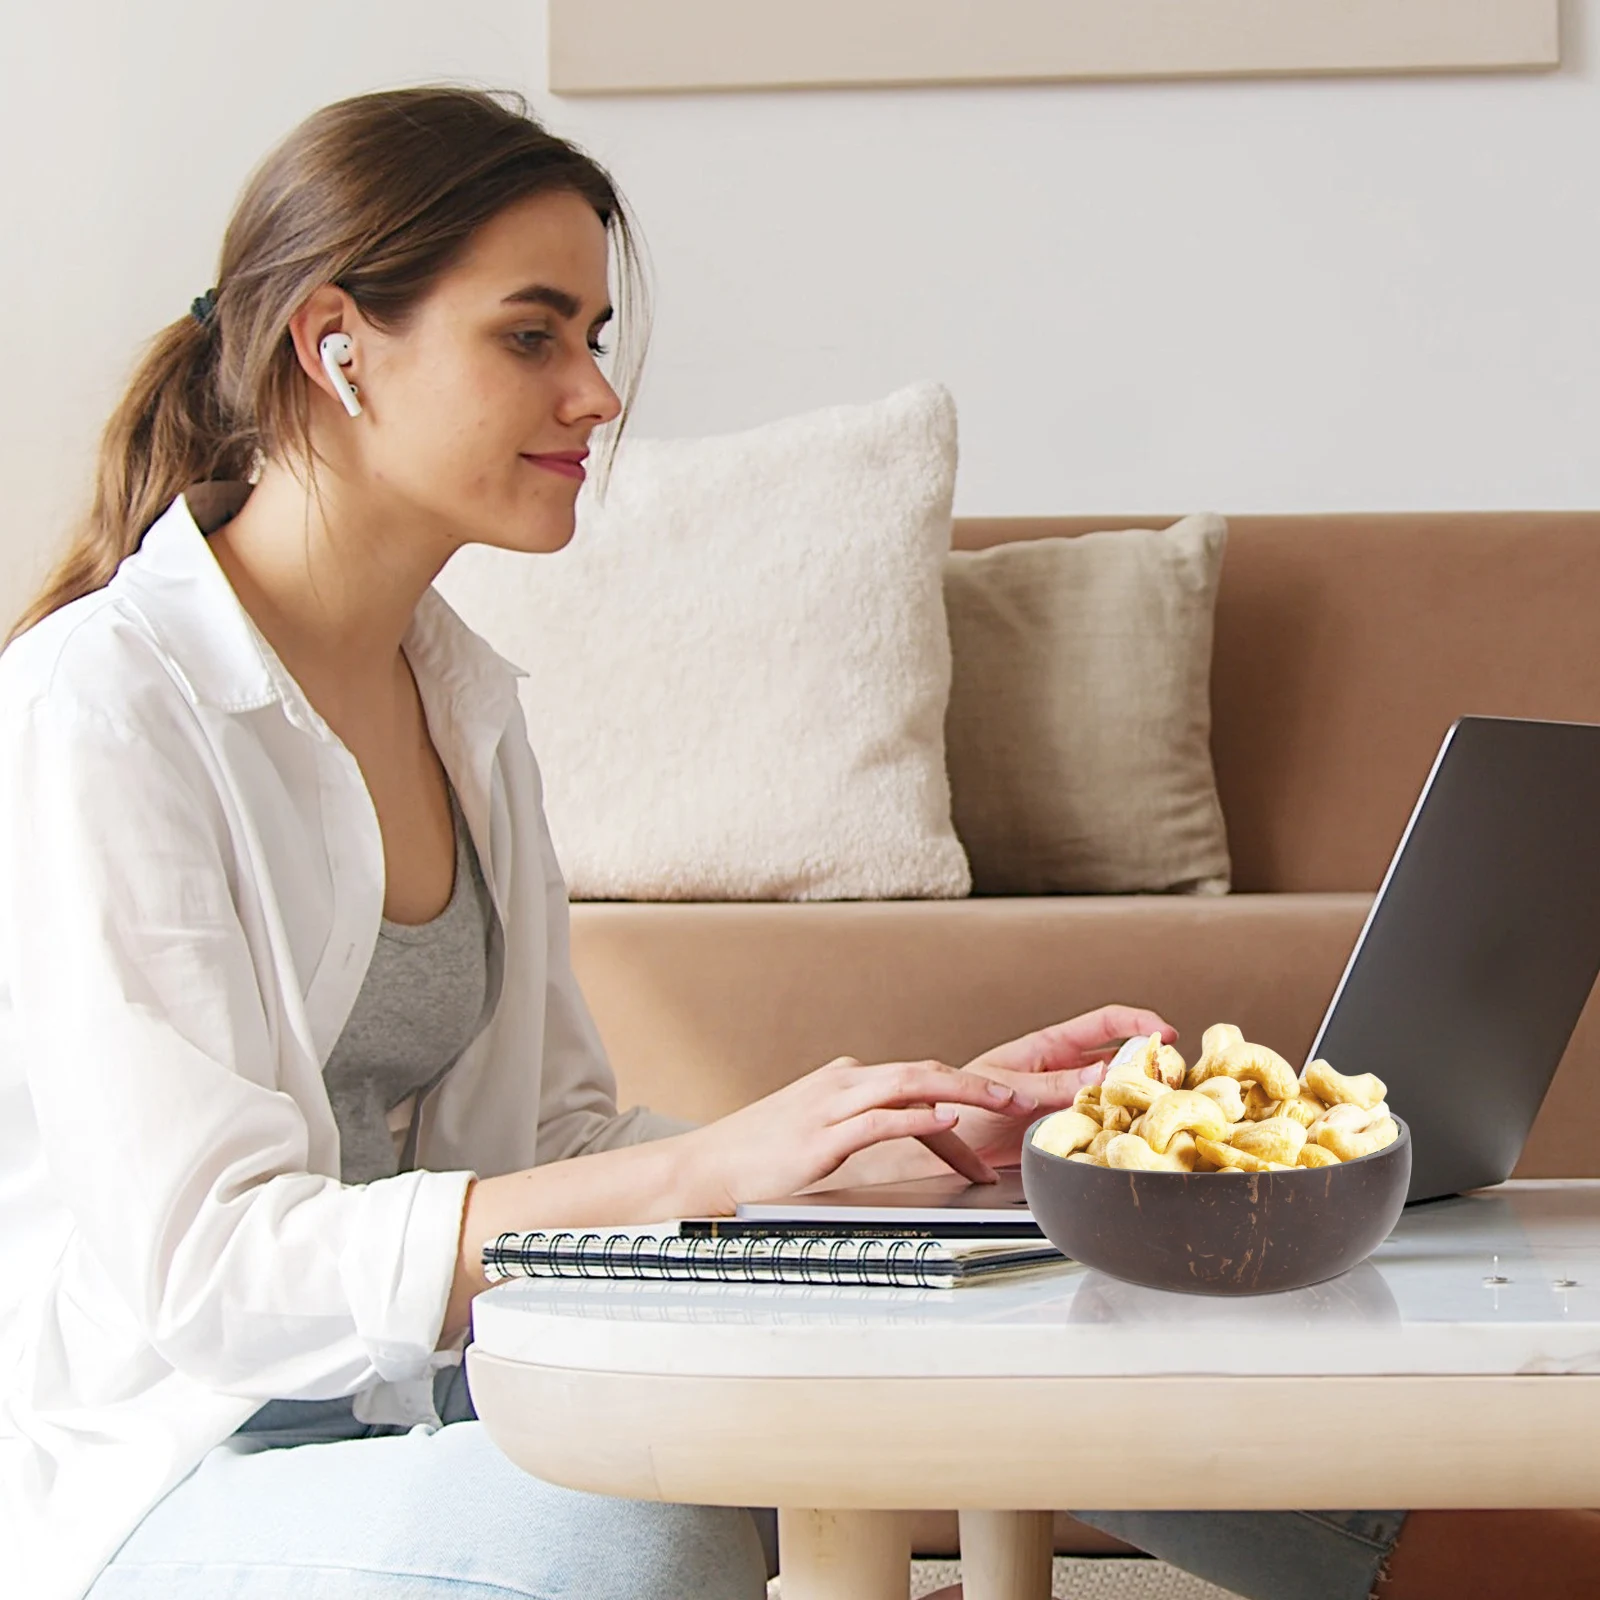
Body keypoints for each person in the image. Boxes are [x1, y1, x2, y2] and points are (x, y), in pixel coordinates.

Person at [0, 86, 1166, 1600]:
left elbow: (550, 1159)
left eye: (594, 339)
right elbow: (213, 1279)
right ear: (333, 342)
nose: (597, 396)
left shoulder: (462, 699)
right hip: (173, 1477)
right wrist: (731, 1166)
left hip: (445, 1410)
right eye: (532, 335)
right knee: (631, 1522)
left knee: (1092, 1304)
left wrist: (897, 1156)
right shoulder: (102, 711)